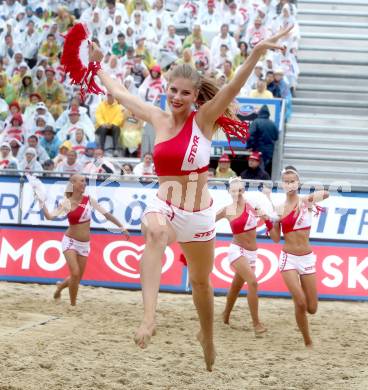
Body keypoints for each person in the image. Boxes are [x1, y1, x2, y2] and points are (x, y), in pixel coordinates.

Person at [88, 26, 291, 371]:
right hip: (165, 203)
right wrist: (97, 66)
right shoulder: (158, 117)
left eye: (185, 92)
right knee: (153, 233)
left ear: (196, 95)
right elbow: (121, 93)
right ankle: (149, 319)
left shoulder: (205, 119)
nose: (177, 97)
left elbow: (233, 86)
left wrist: (256, 51)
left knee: (200, 282)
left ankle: (207, 337)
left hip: (198, 216)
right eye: (172, 90)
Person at [37, 174, 129, 306]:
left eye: (85, 181)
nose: (85, 184)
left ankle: (59, 288)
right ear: (73, 184)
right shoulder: (66, 203)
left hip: (84, 244)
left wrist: (122, 227)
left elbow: (107, 215)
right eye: (82, 181)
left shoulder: (89, 200)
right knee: (75, 273)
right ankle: (73, 305)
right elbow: (50, 217)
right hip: (70, 241)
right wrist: (41, 203)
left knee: (77, 277)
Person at [265, 166, 329, 347]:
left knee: (312, 308)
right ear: (282, 185)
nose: (290, 184)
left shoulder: (306, 202)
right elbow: (276, 239)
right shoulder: (279, 208)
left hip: (307, 258)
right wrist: (269, 222)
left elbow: (326, 194)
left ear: (298, 182)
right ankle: (307, 340)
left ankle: (307, 334)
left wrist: (308, 198)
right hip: (289, 259)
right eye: (286, 181)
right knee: (300, 302)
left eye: (293, 181)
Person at [216, 177, 267, 335]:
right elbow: (207, 222)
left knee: (236, 287)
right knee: (253, 282)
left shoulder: (251, 204)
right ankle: (256, 324)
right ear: (229, 192)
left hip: (252, 253)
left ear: (243, 190)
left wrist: (268, 201)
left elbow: (269, 217)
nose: (236, 193)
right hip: (236, 250)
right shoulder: (227, 210)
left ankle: (225, 315)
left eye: (239, 190)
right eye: (233, 190)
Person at [246, 105, 279, 175]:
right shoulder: (272, 123)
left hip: (258, 150)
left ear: (260, 113)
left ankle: (258, 184)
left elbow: (249, 135)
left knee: (259, 169)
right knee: (263, 169)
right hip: (269, 152)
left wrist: (249, 146)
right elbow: (276, 137)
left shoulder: (256, 122)